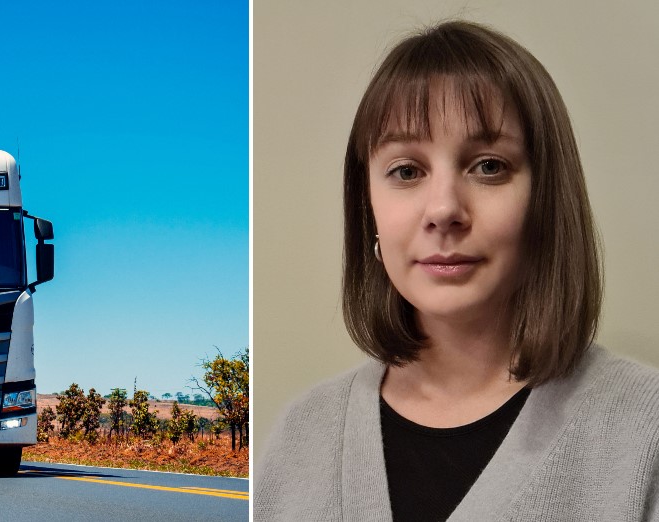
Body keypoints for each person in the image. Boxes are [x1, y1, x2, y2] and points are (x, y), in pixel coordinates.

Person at [254, 20, 659, 521]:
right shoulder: (302, 436)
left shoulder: (646, 432)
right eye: (407, 171)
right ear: (369, 209)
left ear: (546, 198)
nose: (443, 209)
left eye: (489, 166)